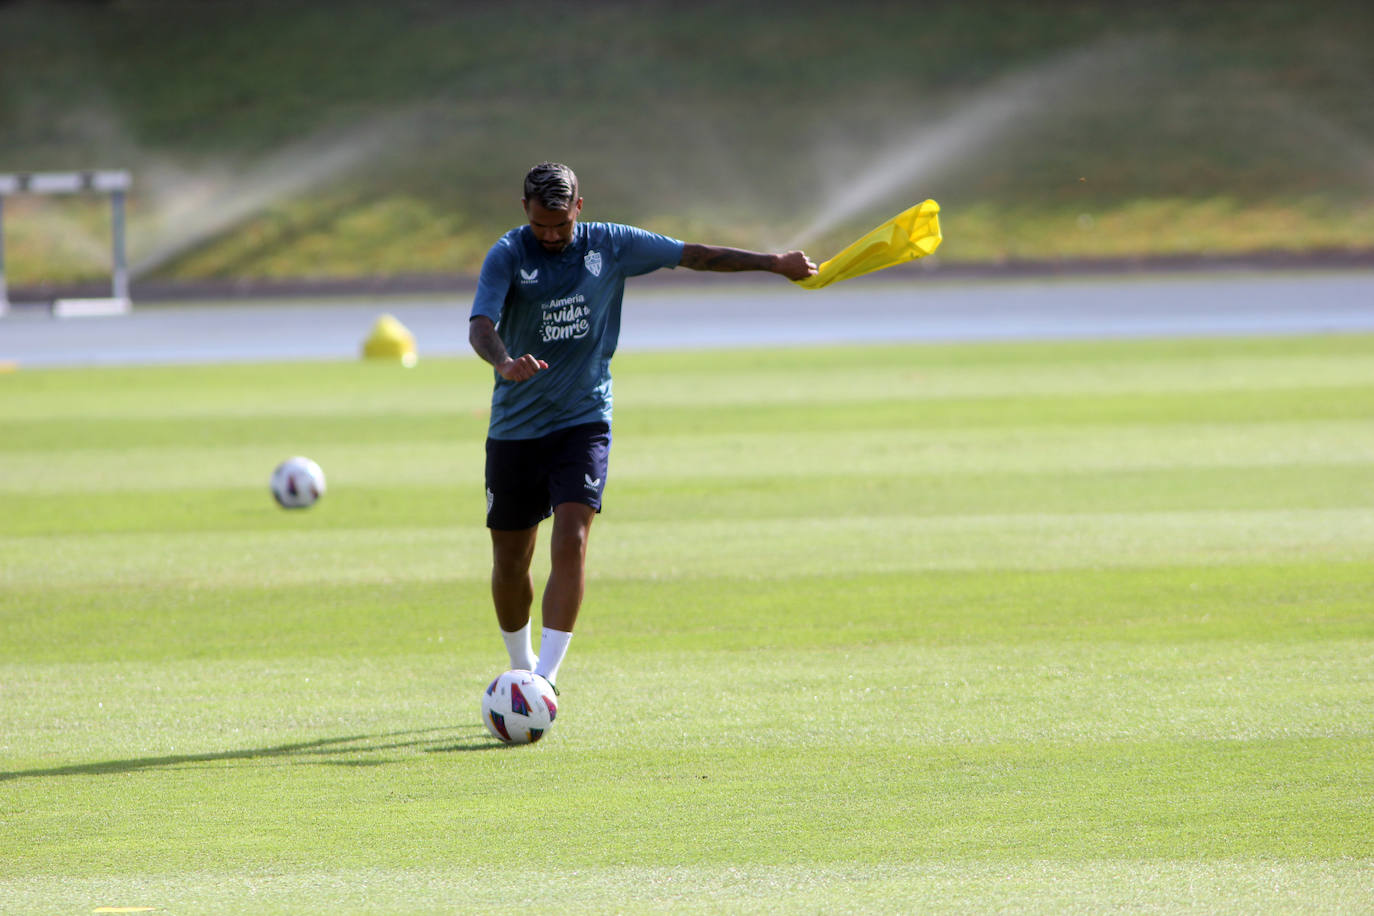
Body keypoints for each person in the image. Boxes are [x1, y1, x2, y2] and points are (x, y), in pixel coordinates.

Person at [468, 162, 817, 692]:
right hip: (516, 427)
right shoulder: (509, 254)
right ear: (525, 213)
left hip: (582, 419)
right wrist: (503, 362)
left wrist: (774, 263)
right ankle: (520, 663)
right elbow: (481, 325)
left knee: (572, 538)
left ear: (579, 209)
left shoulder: (611, 244)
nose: (552, 236)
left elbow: (694, 255)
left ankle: (546, 680)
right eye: (541, 225)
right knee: (512, 561)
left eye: (561, 225)